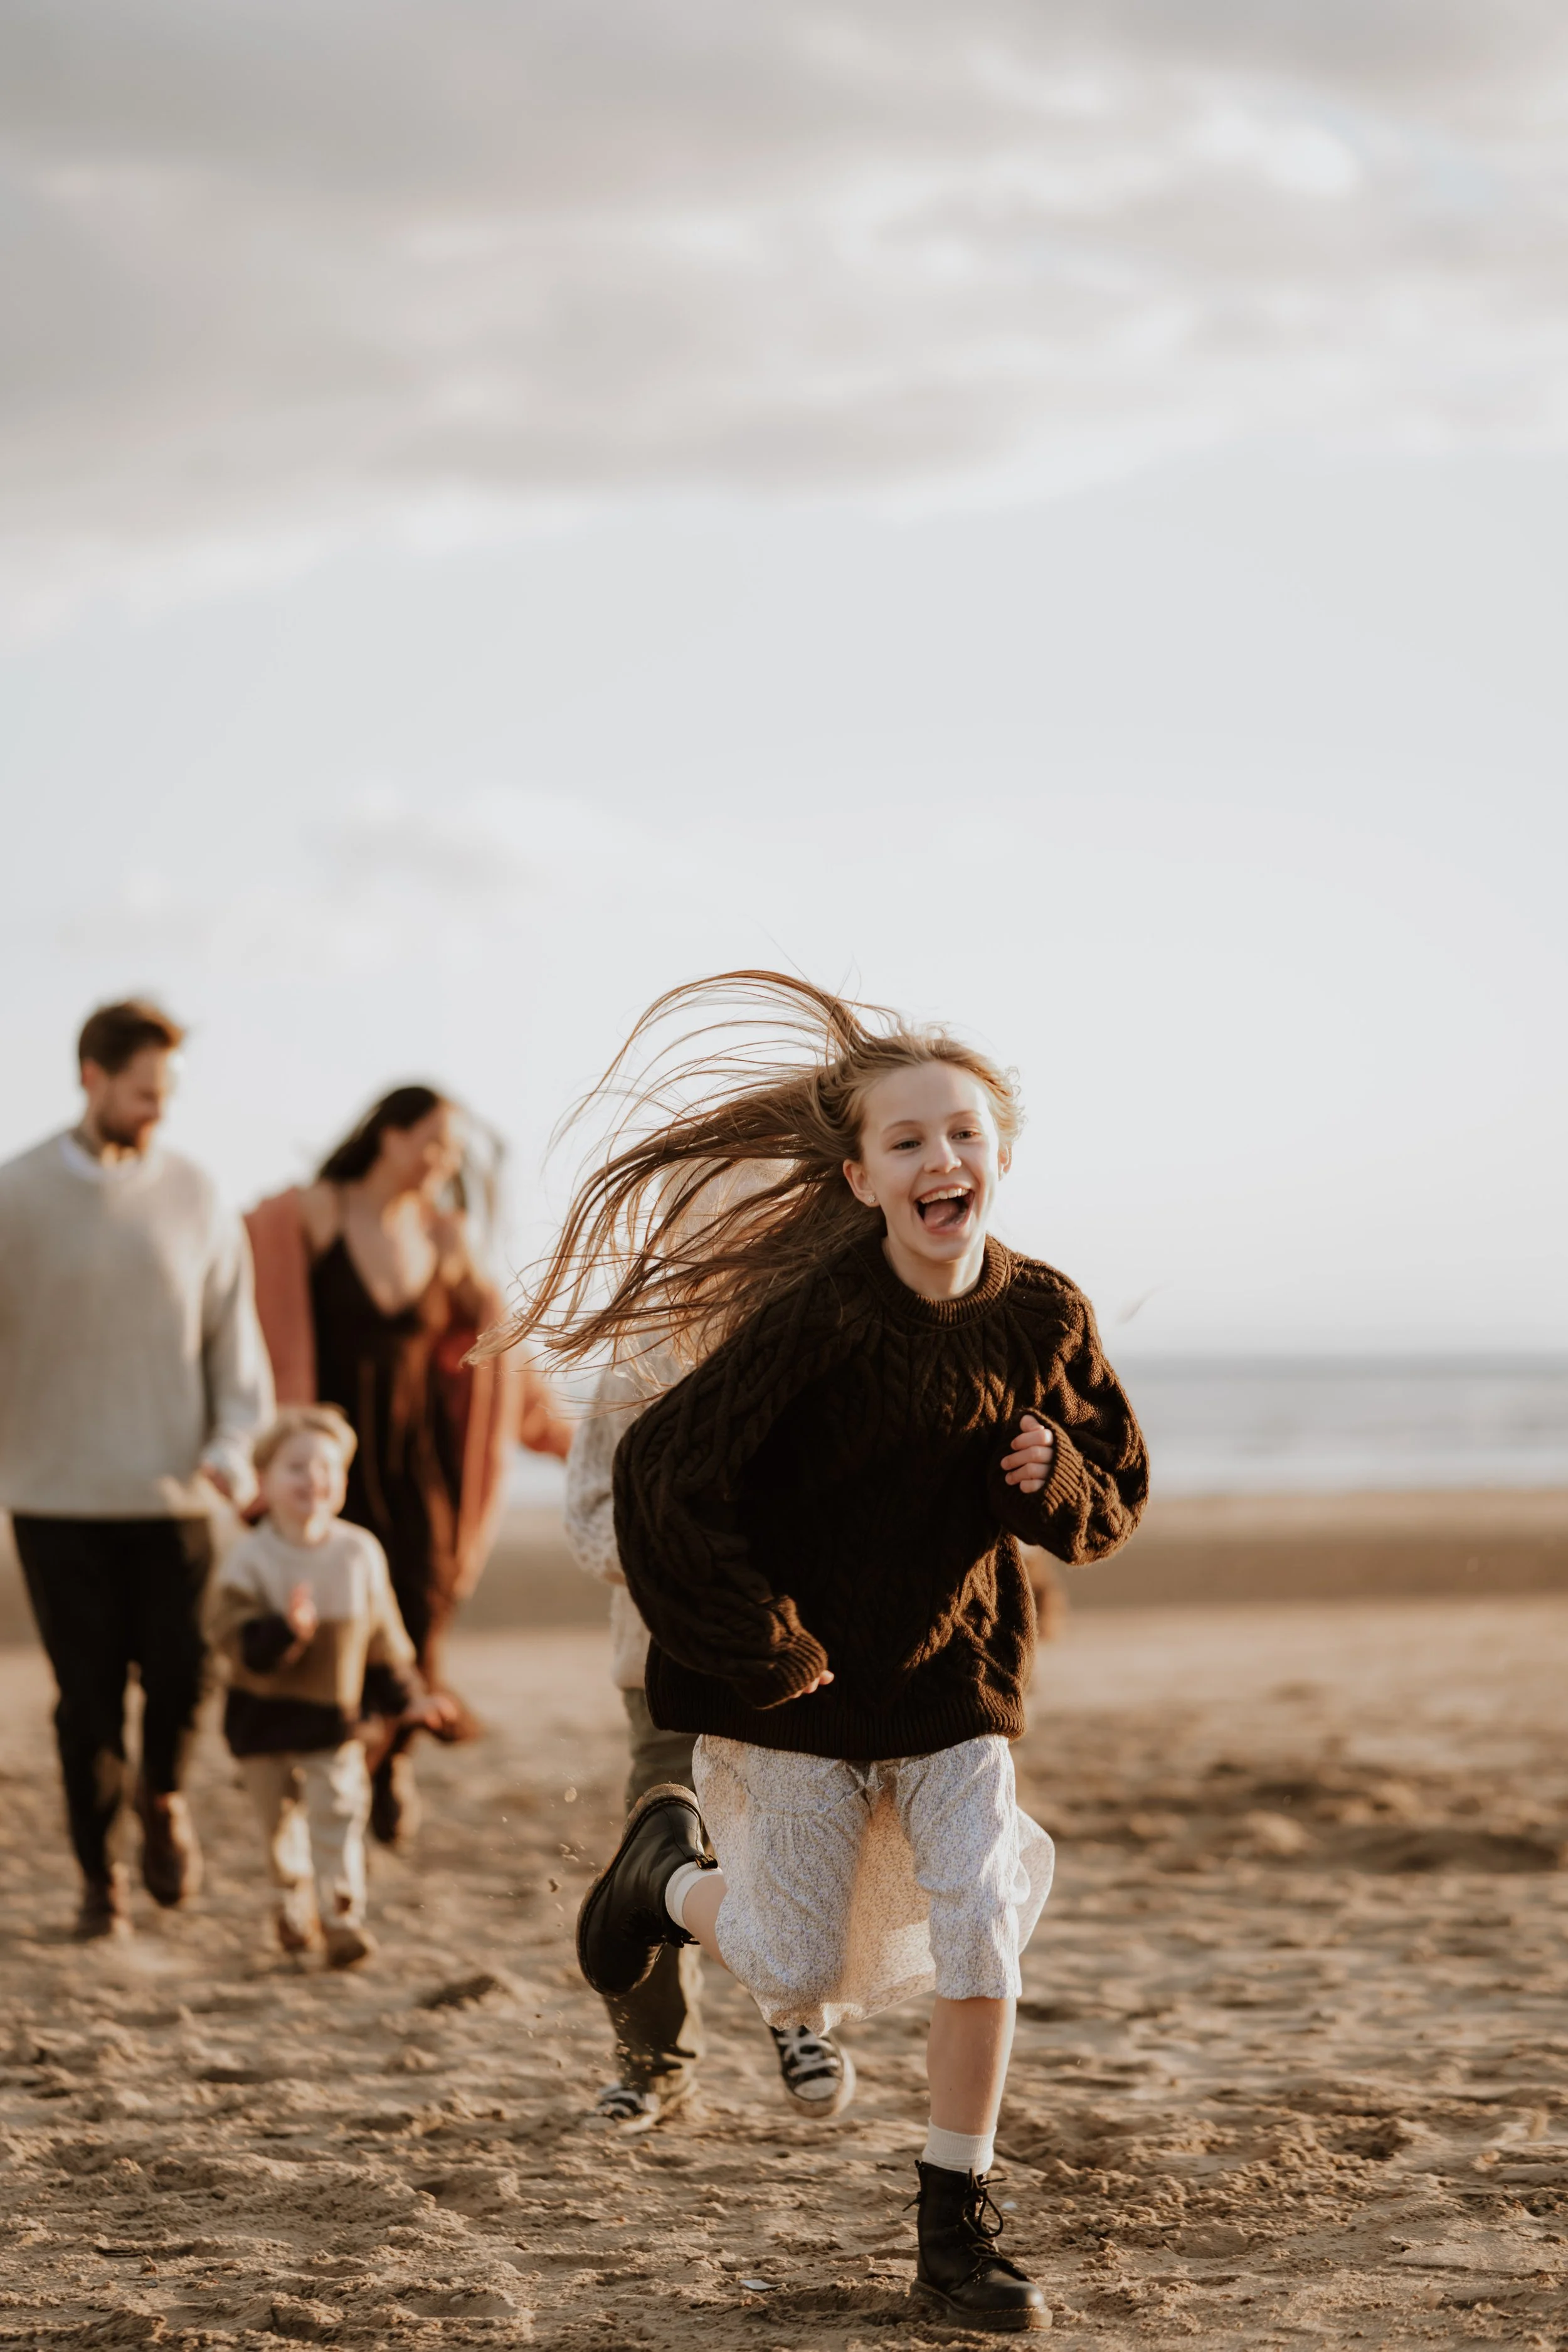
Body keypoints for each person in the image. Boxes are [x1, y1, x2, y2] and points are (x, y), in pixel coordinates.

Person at [486, 972, 1148, 2333]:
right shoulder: (811, 1322)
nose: (938, 1158)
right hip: (803, 1697)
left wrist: (1048, 1482)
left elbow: (1113, 1492)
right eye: (904, 1142)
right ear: (857, 1179)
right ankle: (662, 1875)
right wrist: (760, 1645)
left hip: (957, 1680)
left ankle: (953, 2229)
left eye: (960, 1133)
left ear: (998, 1154)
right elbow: (666, 1475)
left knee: (978, 1929)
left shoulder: (1043, 1316)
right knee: (798, 1968)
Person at [0, 999, 273, 1939]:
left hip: (174, 1493)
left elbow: (235, 1354)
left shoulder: (197, 1195)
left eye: (168, 1093)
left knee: (185, 1672)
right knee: (87, 1703)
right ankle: (97, 1880)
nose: (158, 1108)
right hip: (54, 1496)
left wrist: (231, 1446)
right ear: (92, 1076)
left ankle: (163, 1797)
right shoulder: (15, 1194)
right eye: (143, 1091)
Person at [246, 1085, 571, 1843]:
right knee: (336, 1619)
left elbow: (500, 1354)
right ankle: (347, 1763)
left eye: (452, 1150)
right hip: (325, 1467)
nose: (445, 1162)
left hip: (418, 1465)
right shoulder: (313, 1214)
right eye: (434, 1142)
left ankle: (386, 1765)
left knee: (417, 1620)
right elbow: (245, 1316)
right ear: (388, 1136)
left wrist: (557, 1436)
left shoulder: (442, 1237)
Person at [565, 1345, 854, 2132]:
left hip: (784, 1658)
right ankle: (654, 2067)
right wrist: (683, 1568)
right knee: (656, 1857)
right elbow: (589, 1516)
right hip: (659, 1667)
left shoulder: (797, 1340)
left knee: (783, 1846)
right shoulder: (631, 1372)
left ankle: (797, 2021)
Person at [209, 1404, 453, 1966]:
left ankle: (343, 1916)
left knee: (339, 1811)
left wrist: (411, 1698)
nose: (313, 1479)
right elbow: (229, 1640)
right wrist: (285, 1633)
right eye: (297, 1467)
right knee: (278, 1827)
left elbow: (384, 1639)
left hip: (334, 1719)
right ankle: (292, 1906)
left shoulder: (357, 1553)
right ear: (264, 1482)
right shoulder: (247, 1560)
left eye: (328, 1468)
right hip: (261, 1720)